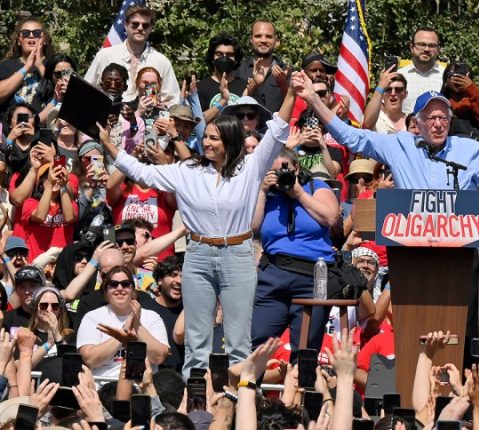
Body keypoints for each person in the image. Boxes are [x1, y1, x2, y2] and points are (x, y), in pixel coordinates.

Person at [97, 79, 293, 377]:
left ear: (230, 141)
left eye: (214, 138)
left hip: (237, 255)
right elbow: (141, 172)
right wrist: (109, 145)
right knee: (197, 341)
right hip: (198, 255)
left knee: (238, 341)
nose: (207, 142)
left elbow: (278, 130)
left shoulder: (251, 167)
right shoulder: (187, 170)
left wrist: (291, 93)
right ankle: (195, 399)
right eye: (207, 137)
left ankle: (237, 400)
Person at [291, 72, 479, 228]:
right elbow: (351, 137)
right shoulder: (399, 144)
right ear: (417, 123)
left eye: (443, 117)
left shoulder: (469, 150)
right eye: (431, 118)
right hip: (411, 249)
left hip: (459, 252)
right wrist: (314, 100)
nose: (438, 123)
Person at [249, 148, 340, 357]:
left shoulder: (315, 187)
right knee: (256, 341)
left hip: (314, 275)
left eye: (284, 170)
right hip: (274, 274)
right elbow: (252, 227)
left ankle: (300, 378)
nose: (279, 176)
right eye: (273, 172)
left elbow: (331, 218)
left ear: (296, 168)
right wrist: (262, 192)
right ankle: (251, 379)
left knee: (306, 349)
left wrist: (298, 193)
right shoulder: (267, 194)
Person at [76, 265, 170, 378]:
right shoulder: (93, 317)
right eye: (113, 284)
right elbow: (89, 360)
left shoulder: (152, 317)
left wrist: (137, 325)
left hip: (143, 383)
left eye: (125, 284)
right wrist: (120, 337)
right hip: (105, 383)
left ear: (133, 290)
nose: (120, 288)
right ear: (106, 290)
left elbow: (159, 357)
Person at [84, 5, 180, 105]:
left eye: (145, 25)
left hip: (147, 114)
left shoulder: (161, 62)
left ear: (151, 28)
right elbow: (85, 90)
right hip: (109, 113)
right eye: (135, 24)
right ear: (126, 25)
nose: (140, 28)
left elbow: (173, 100)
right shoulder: (105, 56)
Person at [14, 161, 77, 260]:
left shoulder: (70, 204)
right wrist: (49, 185)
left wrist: (63, 186)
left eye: (58, 176)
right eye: (47, 177)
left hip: (62, 263)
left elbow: (69, 218)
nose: (54, 180)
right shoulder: (30, 203)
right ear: (40, 182)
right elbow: (40, 216)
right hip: (37, 262)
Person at [0, 17, 53, 120]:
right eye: (25, 33)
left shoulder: (55, 64)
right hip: (11, 129)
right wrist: (26, 68)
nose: (31, 36)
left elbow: (64, 95)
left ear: (45, 40)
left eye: (37, 33)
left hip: (45, 128)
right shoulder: (5, 66)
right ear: (19, 41)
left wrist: (40, 66)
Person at [234, 20, 288, 114]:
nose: (263, 40)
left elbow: (295, 107)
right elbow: (232, 106)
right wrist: (253, 86)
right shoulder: (238, 70)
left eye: (268, 36)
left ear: (275, 40)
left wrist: (283, 84)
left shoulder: (287, 71)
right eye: (258, 36)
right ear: (251, 39)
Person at [144, 256, 184, 371]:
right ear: (160, 280)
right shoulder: (143, 309)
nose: (179, 281)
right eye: (173, 275)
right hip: (152, 375)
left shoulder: (190, 311)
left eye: (183, 276)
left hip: (183, 376)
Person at [198, 34, 246, 122]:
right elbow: (197, 122)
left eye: (229, 54)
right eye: (219, 54)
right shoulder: (200, 87)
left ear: (236, 59)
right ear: (212, 57)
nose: (224, 58)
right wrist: (222, 101)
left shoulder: (245, 87)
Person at [440, 62, 479, 134]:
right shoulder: (440, 103)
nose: (459, 78)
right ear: (446, 80)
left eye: (462, 75)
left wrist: (471, 89)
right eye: (454, 74)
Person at [397, 27, 445, 114]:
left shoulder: (445, 76)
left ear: (438, 49)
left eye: (431, 45)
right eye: (421, 44)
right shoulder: (399, 75)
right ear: (412, 47)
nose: (426, 49)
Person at [28, 286, 74, 358]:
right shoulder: (27, 336)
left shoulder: (70, 335)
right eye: (43, 305)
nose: (49, 309)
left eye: (55, 306)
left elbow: (70, 360)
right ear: (35, 308)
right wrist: (48, 345)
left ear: (60, 310)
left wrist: (57, 335)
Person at [362, 69, 407, 134]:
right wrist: (380, 87)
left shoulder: (412, 121)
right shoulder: (376, 120)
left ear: (405, 94)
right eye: (388, 89)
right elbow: (367, 125)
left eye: (398, 89)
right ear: (382, 94)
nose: (393, 93)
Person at [3, 265, 46, 333]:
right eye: (22, 287)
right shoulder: (7, 319)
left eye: (32, 286)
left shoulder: (53, 315)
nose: (27, 292)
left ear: (43, 288)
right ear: (16, 290)